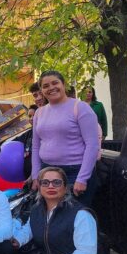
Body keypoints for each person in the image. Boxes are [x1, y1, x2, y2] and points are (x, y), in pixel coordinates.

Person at [30, 70, 100, 206]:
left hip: (75, 173)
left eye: (55, 83)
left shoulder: (81, 108)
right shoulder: (39, 113)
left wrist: (82, 178)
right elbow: (36, 146)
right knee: (52, 215)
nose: (51, 88)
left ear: (63, 84)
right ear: (42, 90)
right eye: (45, 86)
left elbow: (92, 145)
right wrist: (35, 176)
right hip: (47, 173)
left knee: (75, 215)